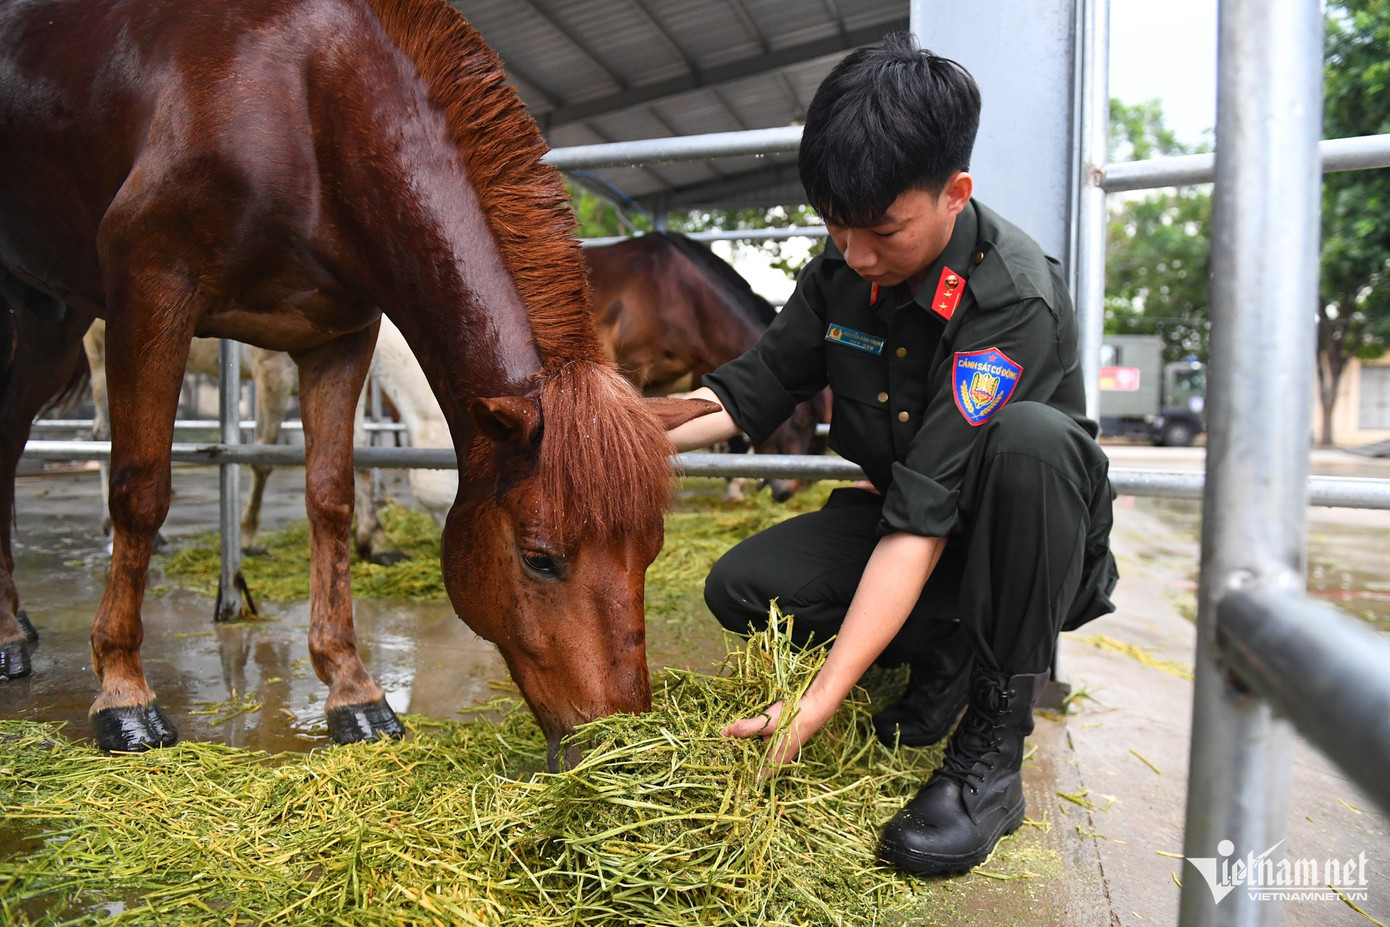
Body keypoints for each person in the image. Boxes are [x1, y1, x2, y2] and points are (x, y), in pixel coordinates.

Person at [665, 33, 1118, 876]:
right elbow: (752, 388)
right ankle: (940, 648)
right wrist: (616, 425)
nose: (858, 255)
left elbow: (923, 513)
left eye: (881, 230)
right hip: (910, 525)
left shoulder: (1009, 294)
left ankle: (992, 747)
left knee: (1030, 441)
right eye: (836, 226)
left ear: (956, 193)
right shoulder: (842, 264)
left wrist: (816, 702)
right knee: (742, 587)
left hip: (1020, 547)